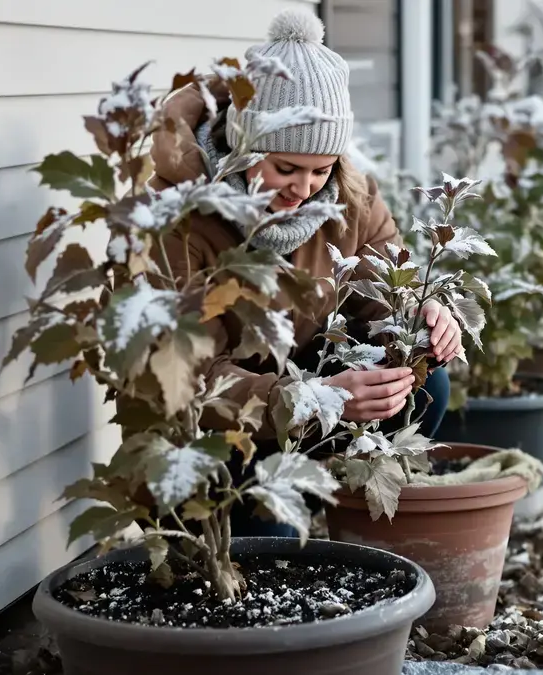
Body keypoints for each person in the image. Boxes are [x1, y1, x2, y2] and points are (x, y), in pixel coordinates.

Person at [145, 9, 461, 537]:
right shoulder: (179, 219)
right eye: (286, 169)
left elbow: (383, 291)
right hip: (224, 433)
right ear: (242, 147)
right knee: (269, 552)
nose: (306, 188)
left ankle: (352, 518)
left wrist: (421, 312)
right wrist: (316, 400)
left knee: (429, 383)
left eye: (322, 169)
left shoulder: (351, 196)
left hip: (310, 395)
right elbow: (188, 380)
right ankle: (267, 519)